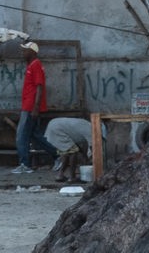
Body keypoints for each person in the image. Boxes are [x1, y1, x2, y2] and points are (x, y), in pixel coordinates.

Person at [13, 41, 58, 173]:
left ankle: (24, 164)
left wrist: (36, 107)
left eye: (25, 50)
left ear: (32, 52)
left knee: (21, 136)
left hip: (30, 107)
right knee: (35, 135)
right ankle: (58, 155)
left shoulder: (36, 65)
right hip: (29, 106)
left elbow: (39, 87)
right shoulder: (31, 65)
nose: (23, 53)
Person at [43, 115, 93, 182]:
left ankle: (60, 175)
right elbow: (93, 147)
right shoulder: (90, 129)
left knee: (67, 153)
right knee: (73, 152)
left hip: (55, 124)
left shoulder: (85, 124)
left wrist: (84, 155)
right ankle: (72, 177)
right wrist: (90, 159)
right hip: (58, 129)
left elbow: (79, 144)